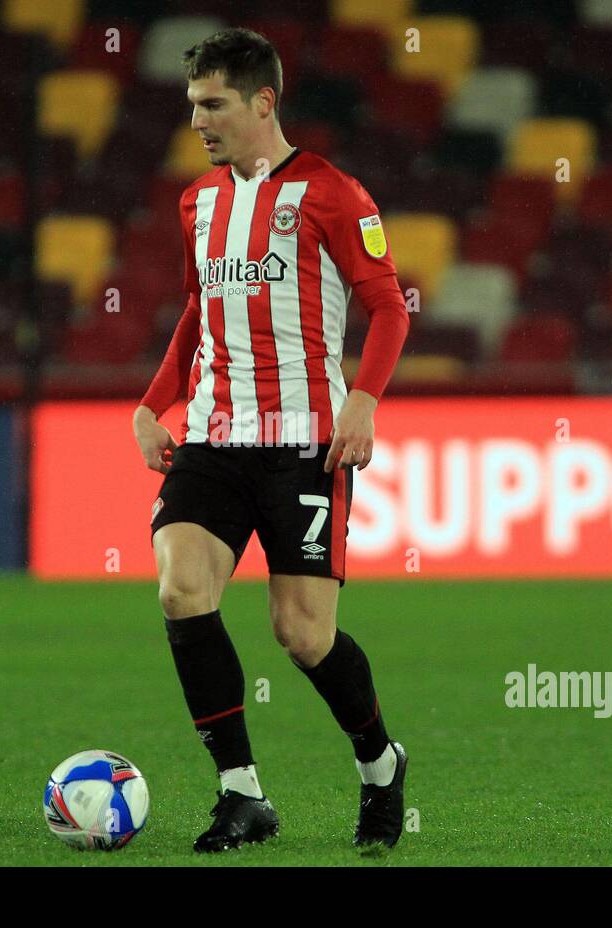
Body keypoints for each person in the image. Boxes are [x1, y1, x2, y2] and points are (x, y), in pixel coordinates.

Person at [132, 28, 410, 853]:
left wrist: (362, 400)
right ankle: (241, 793)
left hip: (303, 446)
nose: (198, 121)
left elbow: (389, 307)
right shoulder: (197, 202)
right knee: (182, 590)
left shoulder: (334, 193)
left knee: (301, 634)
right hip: (215, 437)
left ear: (263, 102)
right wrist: (155, 404)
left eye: (213, 104)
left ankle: (380, 763)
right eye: (191, 105)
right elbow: (196, 312)